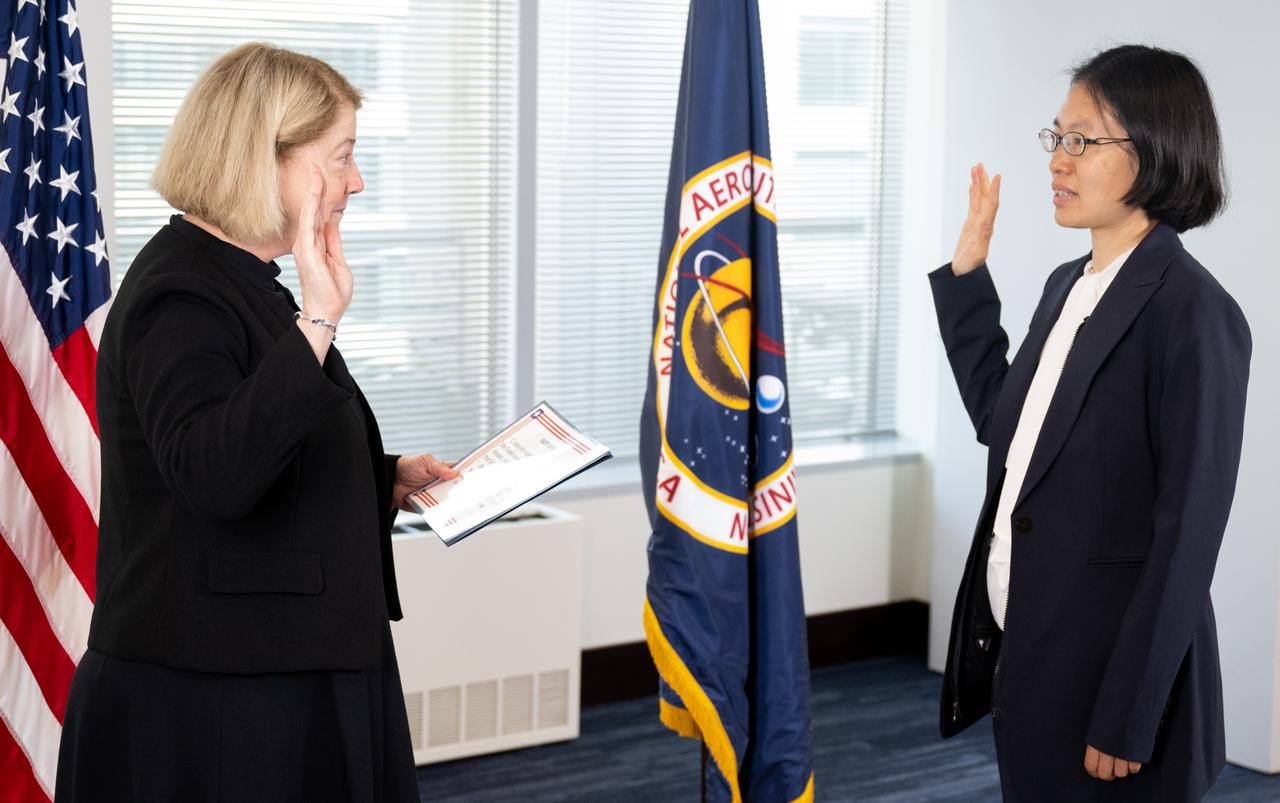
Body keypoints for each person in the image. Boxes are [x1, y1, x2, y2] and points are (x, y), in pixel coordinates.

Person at [54, 42, 458, 802]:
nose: (357, 181)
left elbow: (265, 438)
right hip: (219, 701)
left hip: (282, 671)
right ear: (263, 158)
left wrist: (382, 477)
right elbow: (215, 474)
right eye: (341, 157)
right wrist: (318, 322)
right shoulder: (181, 293)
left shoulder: (248, 284)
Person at [929, 44, 1250, 802]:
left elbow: (1187, 539)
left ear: (1156, 151)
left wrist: (1130, 717)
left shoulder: (1196, 315)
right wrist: (970, 275)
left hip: (1114, 694)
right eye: (1057, 138)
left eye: (1083, 141)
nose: (1058, 162)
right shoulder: (1065, 285)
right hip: (1037, 666)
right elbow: (1010, 429)